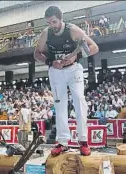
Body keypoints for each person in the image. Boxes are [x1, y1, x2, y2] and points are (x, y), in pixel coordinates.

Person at [33, 6, 99, 156]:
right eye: (49, 23)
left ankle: (83, 140)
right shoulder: (46, 33)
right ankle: (62, 142)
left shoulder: (73, 30)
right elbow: (36, 54)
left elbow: (94, 47)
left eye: (54, 22)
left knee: (79, 99)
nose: (52, 26)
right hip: (55, 70)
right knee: (59, 104)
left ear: (61, 19)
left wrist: (78, 55)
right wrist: (50, 62)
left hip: (73, 68)